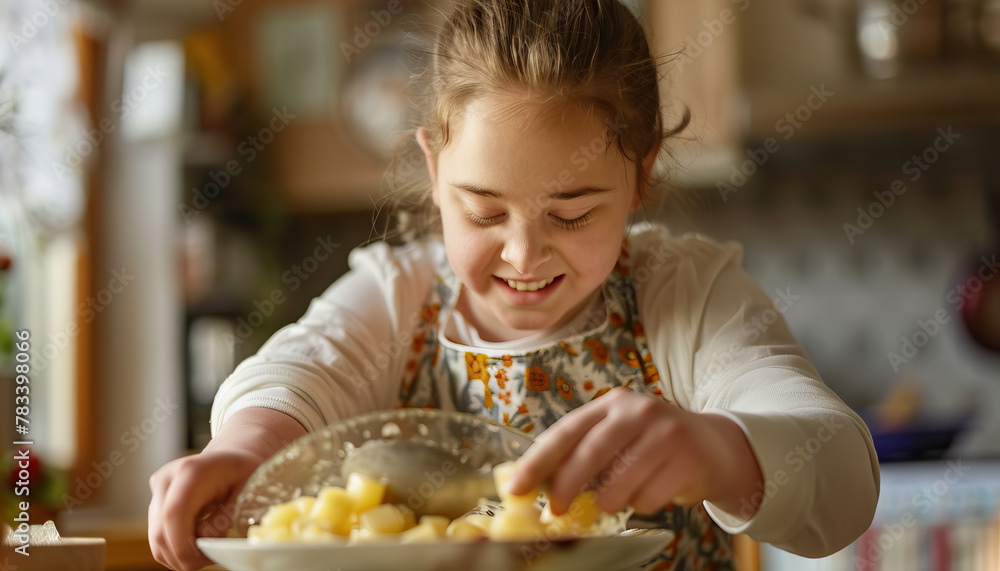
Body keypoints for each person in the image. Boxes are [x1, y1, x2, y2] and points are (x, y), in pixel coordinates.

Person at [148, 1, 880, 569]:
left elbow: (843, 477)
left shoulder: (682, 295)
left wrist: (722, 451)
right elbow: (302, 370)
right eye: (484, 210)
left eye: (574, 211)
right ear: (434, 172)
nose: (524, 253)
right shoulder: (400, 294)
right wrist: (247, 452)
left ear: (643, 173)